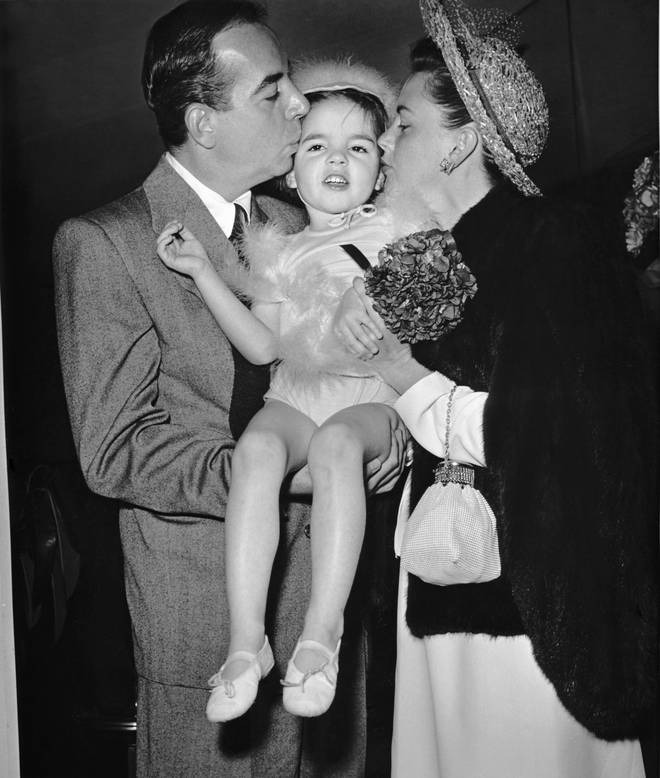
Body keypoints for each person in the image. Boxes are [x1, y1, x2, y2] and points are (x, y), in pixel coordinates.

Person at [52, 3, 406, 776]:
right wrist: (281, 470)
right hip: (207, 633)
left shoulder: (308, 214)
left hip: (332, 621)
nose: (301, 105)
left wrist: (394, 440)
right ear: (203, 123)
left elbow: (385, 362)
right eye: (273, 90)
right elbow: (115, 451)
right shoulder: (105, 243)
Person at [335, 1, 658, 776]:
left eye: (403, 123)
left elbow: (562, 434)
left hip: (529, 623)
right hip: (446, 594)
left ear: (462, 144)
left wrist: (405, 378)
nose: (384, 141)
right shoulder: (439, 253)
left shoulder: (553, 240)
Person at [155, 59, 403, 723]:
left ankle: (322, 635)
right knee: (257, 451)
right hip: (295, 394)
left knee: (337, 445)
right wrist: (205, 270)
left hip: (364, 396)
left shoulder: (394, 234)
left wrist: (373, 286)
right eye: (316, 145)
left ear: (383, 170)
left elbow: (429, 307)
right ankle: (247, 643)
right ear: (291, 170)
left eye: (359, 148)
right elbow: (263, 347)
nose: (336, 160)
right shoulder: (280, 251)